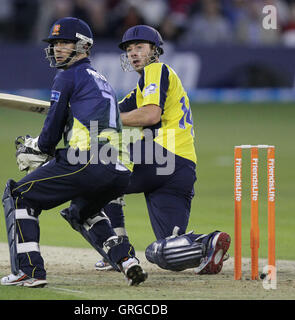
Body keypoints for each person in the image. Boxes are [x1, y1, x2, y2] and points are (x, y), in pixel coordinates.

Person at [0, 17, 147, 288]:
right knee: (81, 211)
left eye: (65, 43)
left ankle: (29, 271)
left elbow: (52, 128)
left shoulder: (67, 76)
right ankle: (126, 260)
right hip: (120, 169)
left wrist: (38, 147)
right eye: (55, 43)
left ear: (83, 47)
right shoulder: (101, 80)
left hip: (88, 160)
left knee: (18, 196)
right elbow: (82, 124)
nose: (58, 49)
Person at [95, 25, 231, 275]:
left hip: (163, 155)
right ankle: (208, 243)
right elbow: (111, 109)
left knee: (103, 176)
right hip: (182, 168)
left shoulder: (155, 70)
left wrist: (98, 117)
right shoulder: (143, 87)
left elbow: (149, 114)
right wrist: (79, 111)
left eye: (139, 47)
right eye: (129, 49)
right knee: (167, 252)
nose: (133, 53)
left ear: (155, 51)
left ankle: (115, 251)